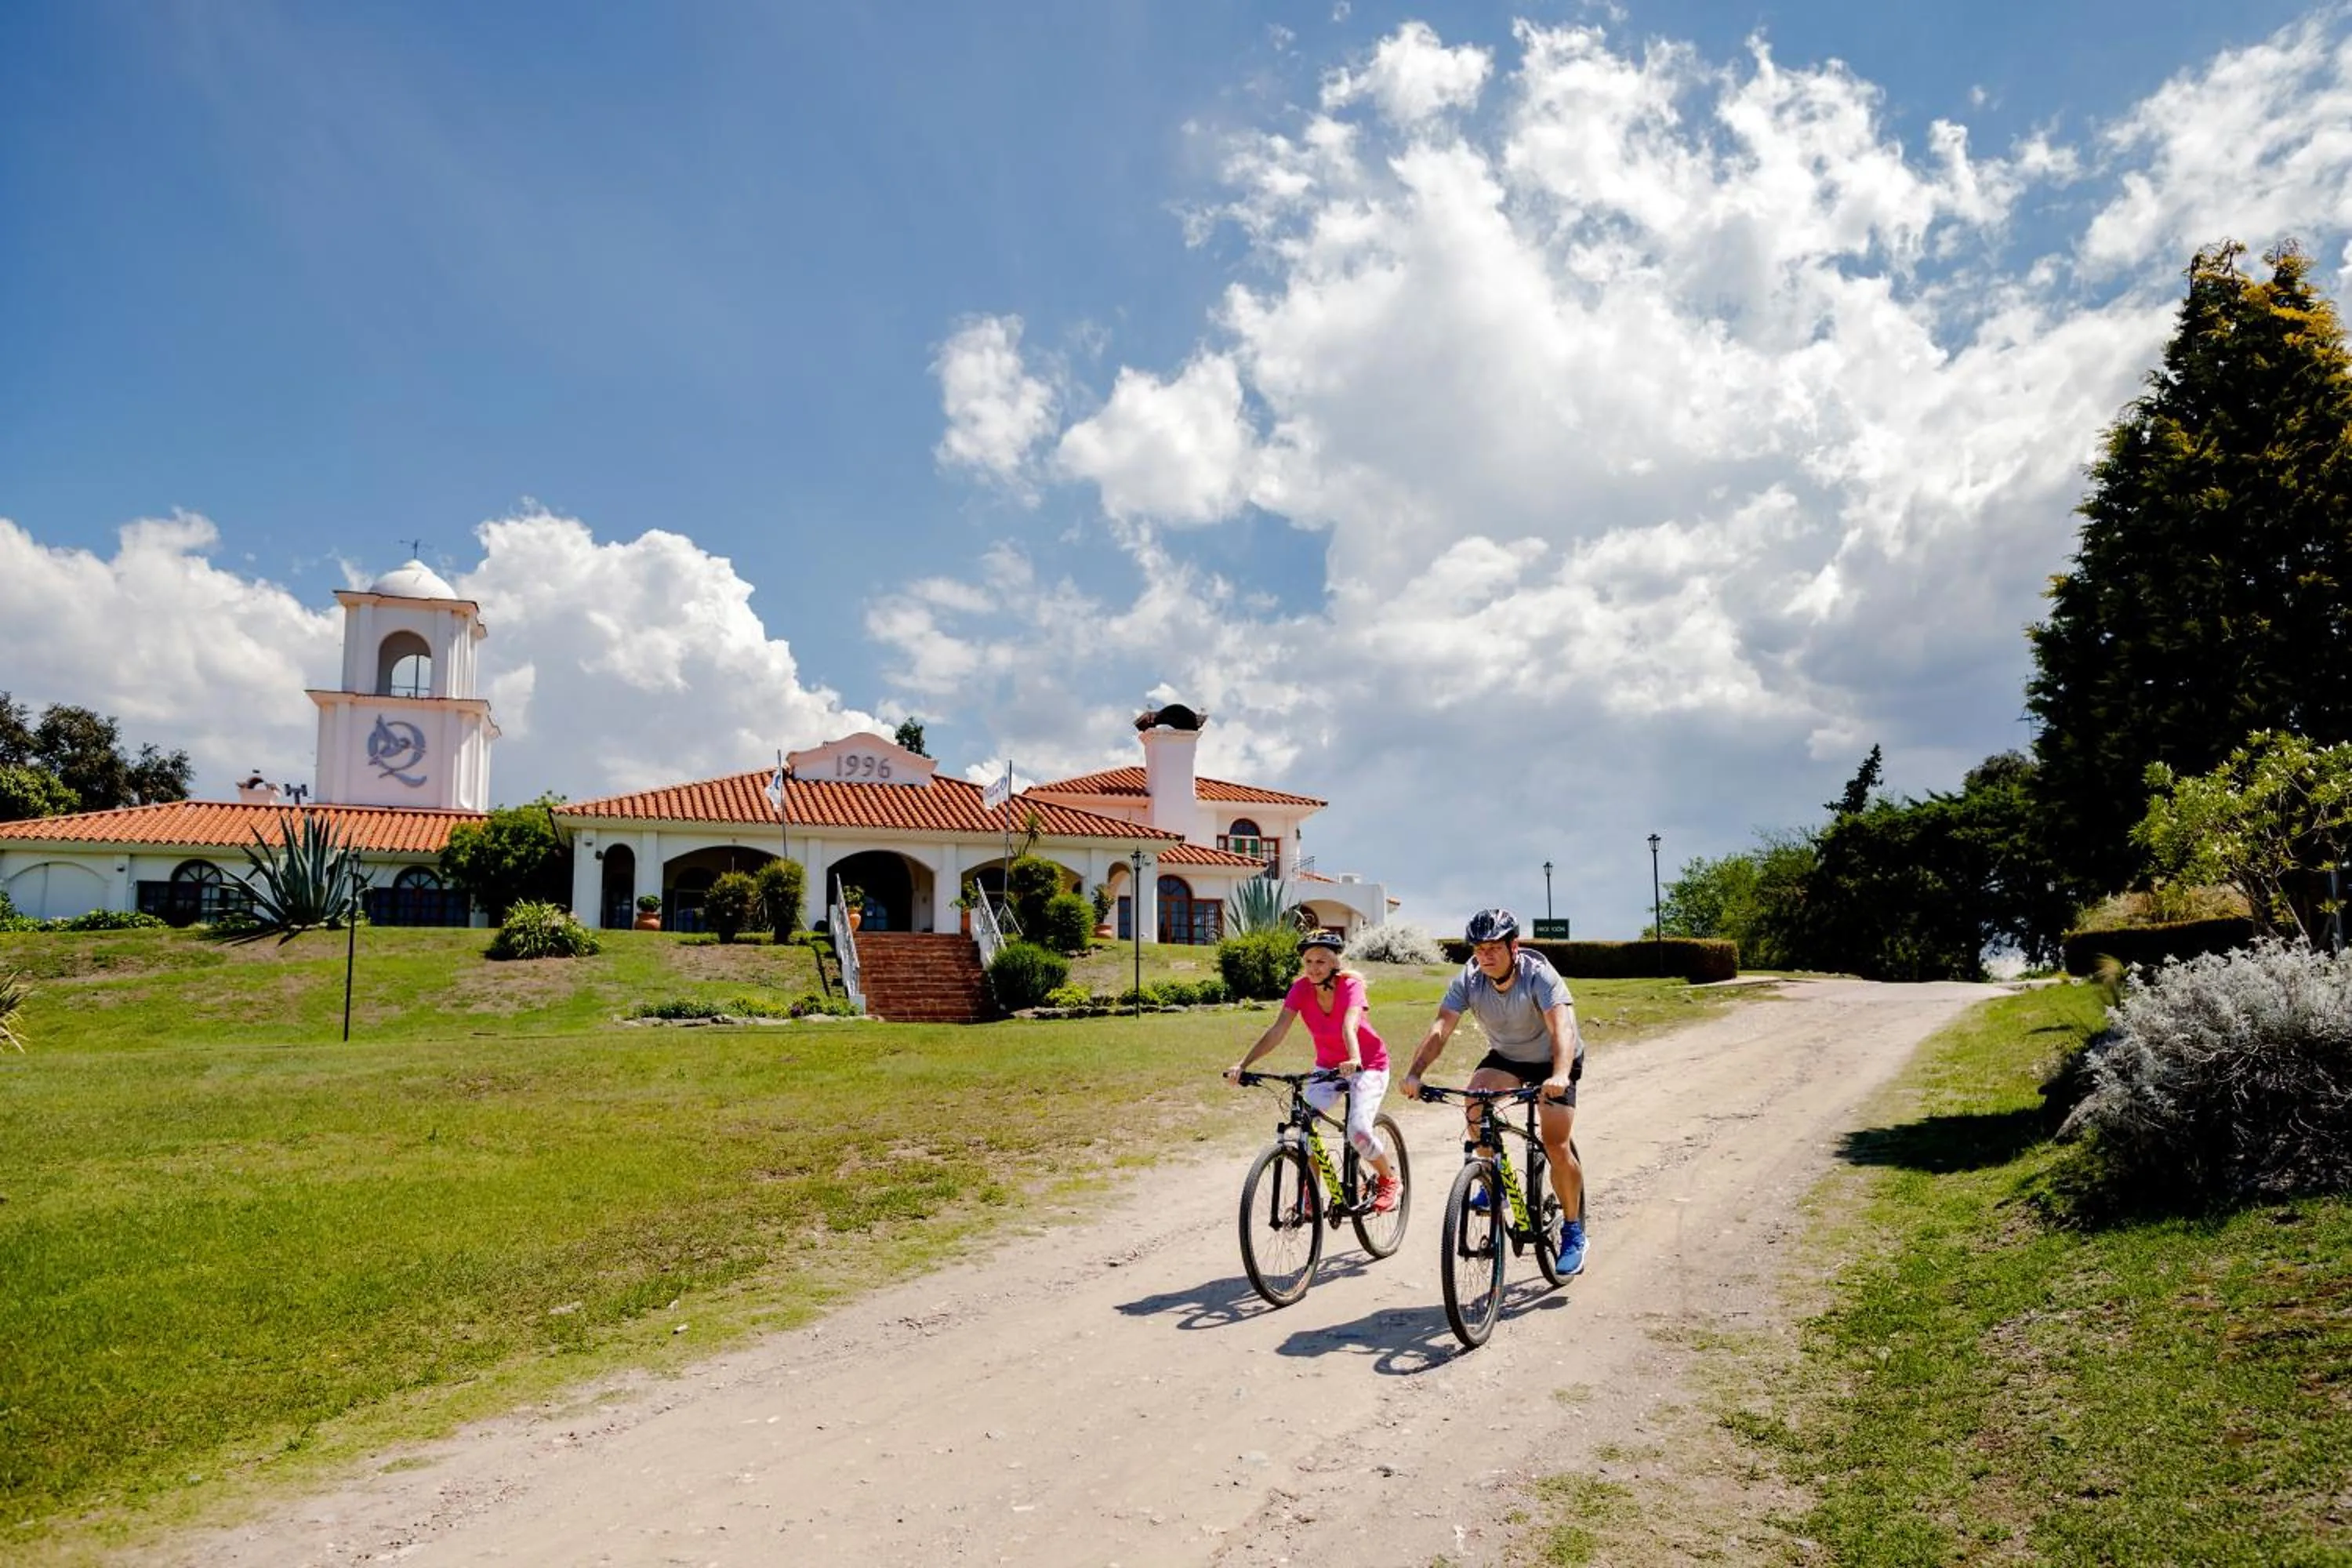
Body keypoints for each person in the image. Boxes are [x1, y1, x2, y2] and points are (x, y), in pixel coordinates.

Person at [1399, 908, 1587, 1275]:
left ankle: (1573, 1231)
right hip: (1508, 1057)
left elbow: (1561, 1029)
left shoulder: (1539, 975)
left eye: (1494, 948)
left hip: (1554, 1059)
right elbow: (1441, 1028)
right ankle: (1492, 1178)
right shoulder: (1469, 980)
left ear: (1514, 947)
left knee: (1555, 1144)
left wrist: (1561, 1074)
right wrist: (1415, 1074)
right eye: (1479, 949)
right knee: (1475, 1100)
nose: (1485, 956)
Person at [1225, 930, 1403, 1213]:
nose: (1313, 968)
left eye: (1321, 961)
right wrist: (1243, 1064)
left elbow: (1350, 1025)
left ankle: (1388, 1179)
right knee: (1305, 1126)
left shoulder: (1351, 986)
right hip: (1328, 1068)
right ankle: (1311, 1194)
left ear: (1335, 963)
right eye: (1308, 961)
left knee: (1358, 1130)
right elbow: (1278, 1030)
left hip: (1368, 1065)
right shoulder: (1300, 989)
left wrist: (1354, 1058)